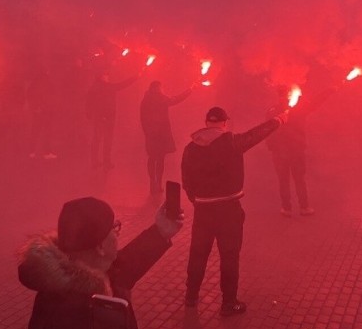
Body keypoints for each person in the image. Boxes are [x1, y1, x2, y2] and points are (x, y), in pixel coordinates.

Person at [18, 196, 183, 329]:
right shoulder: (78, 317)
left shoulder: (78, 276)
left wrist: (160, 232)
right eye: (114, 228)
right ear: (100, 247)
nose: (118, 233)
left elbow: (123, 267)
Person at [181, 106, 287, 315]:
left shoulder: (190, 148)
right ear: (224, 123)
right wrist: (278, 120)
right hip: (229, 211)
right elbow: (256, 134)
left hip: (203, 211)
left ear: (206, 122)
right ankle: (229, 303)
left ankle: (191, 296)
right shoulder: (231, 143)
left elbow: (186, 181)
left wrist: (197, 201)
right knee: (229, 256)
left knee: (198, 254)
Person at [265, 86, 334, 217]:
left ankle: (286, 208)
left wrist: (272, 148)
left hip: (280, 152)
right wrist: (330, 90)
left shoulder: (272, 111)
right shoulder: (298, 109)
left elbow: (267, 131)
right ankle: (304, 207)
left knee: (283, 180)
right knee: (299, 179)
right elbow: (316, 102)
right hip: (296, 151)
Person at [139, 81, 192, 194]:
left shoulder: (146, 99)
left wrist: (146, 131)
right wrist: (189, 90)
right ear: (158, 88)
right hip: (160, 134)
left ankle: (152, 182)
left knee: (152, 158)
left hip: (150, 134)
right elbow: (175, 100)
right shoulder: (160, 98)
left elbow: (142, 116)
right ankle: (158, 183)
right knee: (160, 159)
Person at [86, 72, 138, 169]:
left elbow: (88, 101)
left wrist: (89, 114)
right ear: (101, 77)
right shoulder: (107, 87)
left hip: (100, 117)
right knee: (106, 140)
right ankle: (106, 162)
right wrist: (135, 77)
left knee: (98, 139)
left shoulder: (94, 88)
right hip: (107, 117)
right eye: (106, 75)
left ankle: (95, 162)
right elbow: (122, 85)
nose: (108, 77)